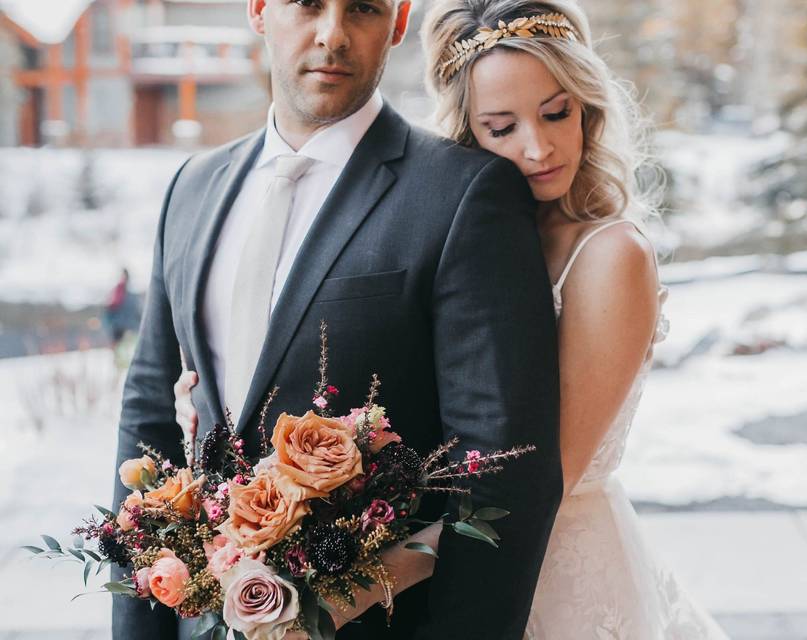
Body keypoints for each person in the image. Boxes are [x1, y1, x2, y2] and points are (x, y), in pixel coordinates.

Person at [179, 0, 732, 637]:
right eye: (502, 128)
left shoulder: (609, 255)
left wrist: (345, 593)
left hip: (549, 575)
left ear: (589, 106)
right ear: (471, 130)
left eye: (557, 113)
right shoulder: (469, 225)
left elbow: (530, 487)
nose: (538, 147)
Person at [112, 0, 564, 638]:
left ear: (398, 22)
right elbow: (149, 419)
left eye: (363, 9)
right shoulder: (192, 187)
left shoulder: (464, 194)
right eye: (307, 5)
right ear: (260, 10)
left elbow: (502, 469)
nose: (333, 35)